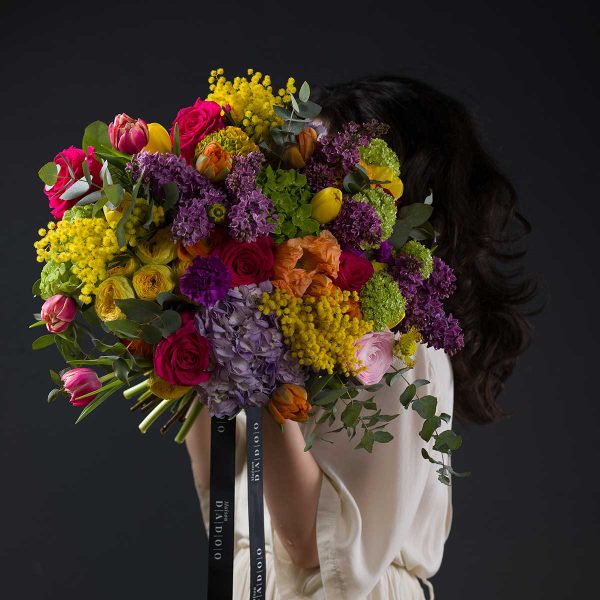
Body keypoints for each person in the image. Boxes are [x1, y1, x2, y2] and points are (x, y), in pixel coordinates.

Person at [185, 74, 537, 599]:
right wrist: (189, 333)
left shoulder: (398, 351)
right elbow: (224, 499)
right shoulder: (298, 325)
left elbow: (314, 547)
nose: (308, 189)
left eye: (330, 174)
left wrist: (262, 367)